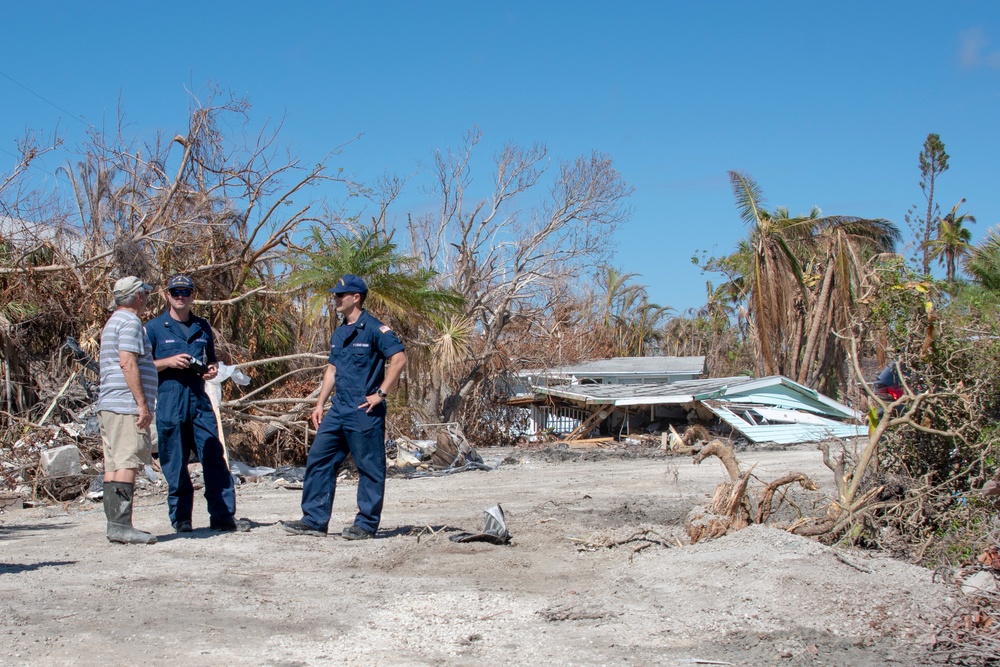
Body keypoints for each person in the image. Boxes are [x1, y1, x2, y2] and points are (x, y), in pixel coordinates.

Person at [282, 274, 407, 539]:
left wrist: (381, 394)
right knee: (320, 458)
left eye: (340, 295)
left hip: (364, 408)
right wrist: (319, 404)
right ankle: (314, 520)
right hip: (339, 408)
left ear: (356, 297)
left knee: (369, 467)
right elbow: (332, 369)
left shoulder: (375, 329)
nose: (335, 299)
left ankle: (366, 524)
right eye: (335, 295)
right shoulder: (340, 332)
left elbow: (399, 358)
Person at [144, 274, 247, 533]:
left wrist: (211, 370)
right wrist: (167, 362)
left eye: (185, 292)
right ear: (167, 295)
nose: (180, 296)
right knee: (175, 462)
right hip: (169, 400)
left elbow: (211, 360)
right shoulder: (154, 328)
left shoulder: (202, 327)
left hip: (199, 400)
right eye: (175, 292)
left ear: (192, 296)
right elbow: (141, 366)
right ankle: (181, 519)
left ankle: (223, 516)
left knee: (214, 458)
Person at [97, 276, 158, 545]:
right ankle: (122, 526)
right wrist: (142, 404)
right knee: (127, 462)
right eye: (144, 293)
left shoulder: (113, 322)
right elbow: (127, 362)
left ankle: (115, 525)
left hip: (108, 403)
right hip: (124, 405)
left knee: (113, 463)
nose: (146, 298)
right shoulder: (131, 322)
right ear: (137, 296)